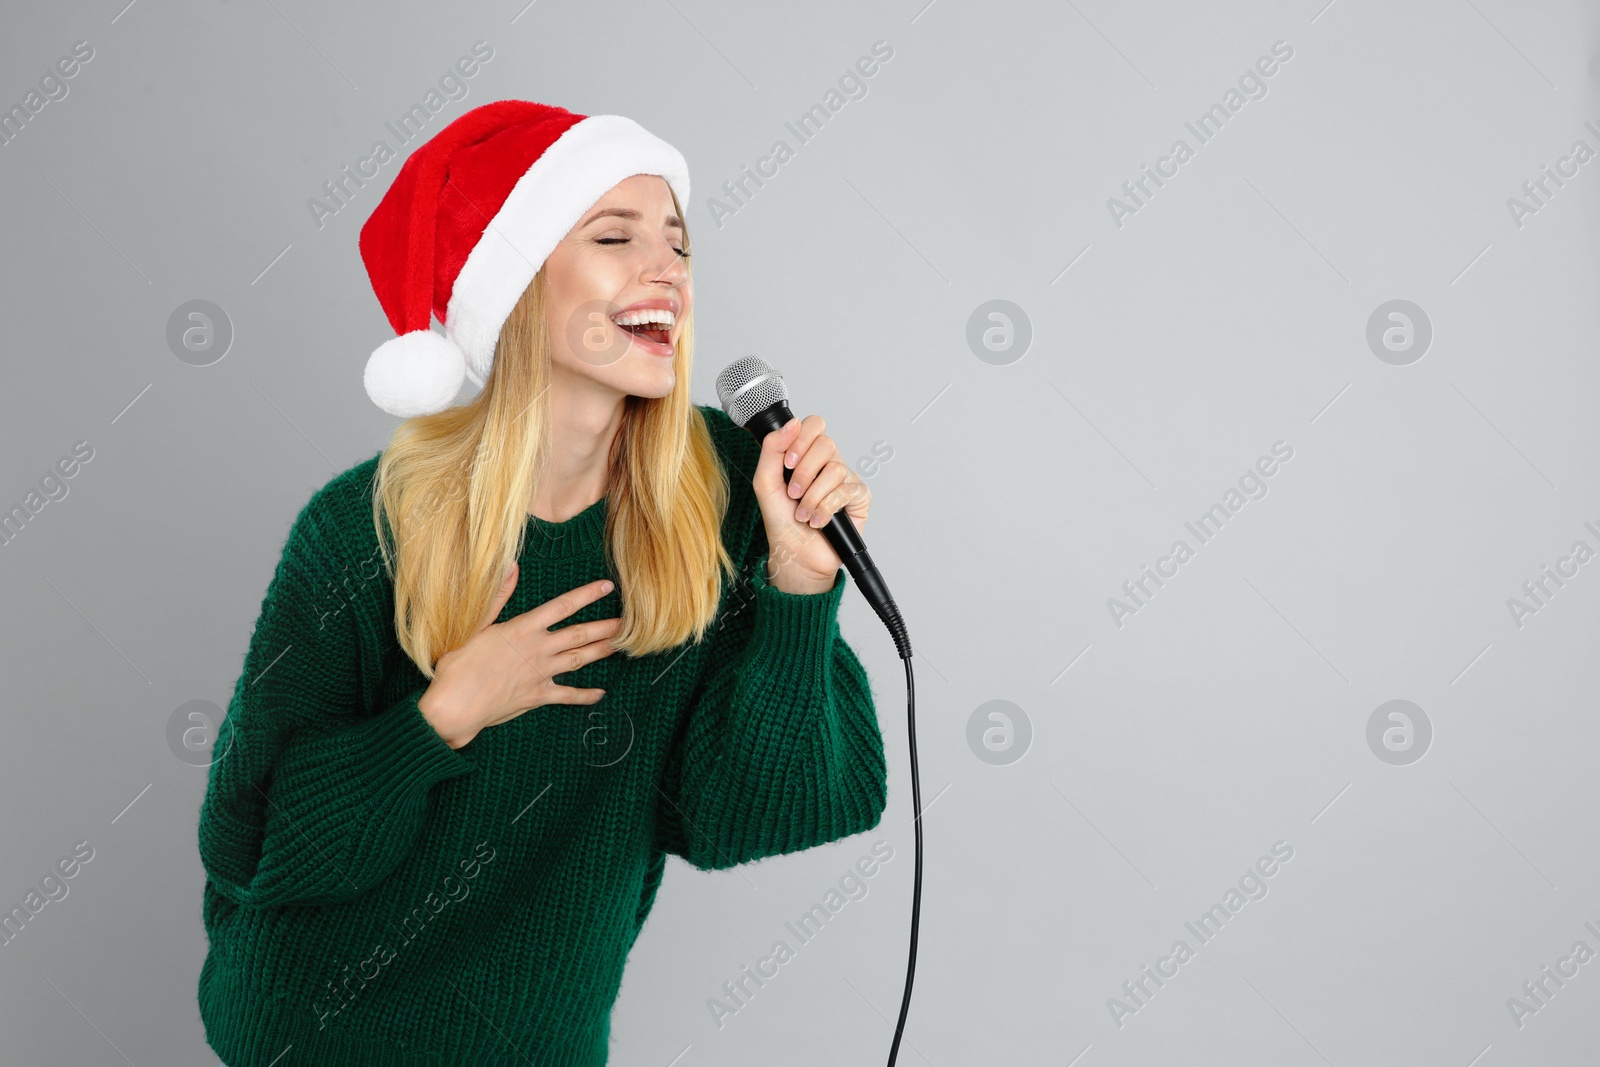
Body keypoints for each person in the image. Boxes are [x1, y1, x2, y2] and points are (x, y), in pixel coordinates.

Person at [195, 100, 888, 1066]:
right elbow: (249, 845)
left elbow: (759, 812)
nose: (667, 271)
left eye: (678, 246)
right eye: (616, 236)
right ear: (516, 285)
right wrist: (440, 717)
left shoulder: (725, 502)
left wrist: (799, 592)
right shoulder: (368, 527)